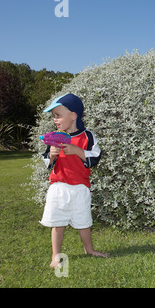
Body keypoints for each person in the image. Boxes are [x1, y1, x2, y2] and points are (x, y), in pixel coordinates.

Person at [40, 93, 108, 268]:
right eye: (53, 116)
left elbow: (95, 157)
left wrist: (76, 150)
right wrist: (52, 156)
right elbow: (47, 161)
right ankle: (56, 256)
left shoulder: (88, 136)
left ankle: (89, 249)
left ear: (73, 115)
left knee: (84, 222)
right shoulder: (54, 137)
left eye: (58, 115)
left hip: (80, 188)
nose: (55, 119)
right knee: (58, 223)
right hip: (59, 187)